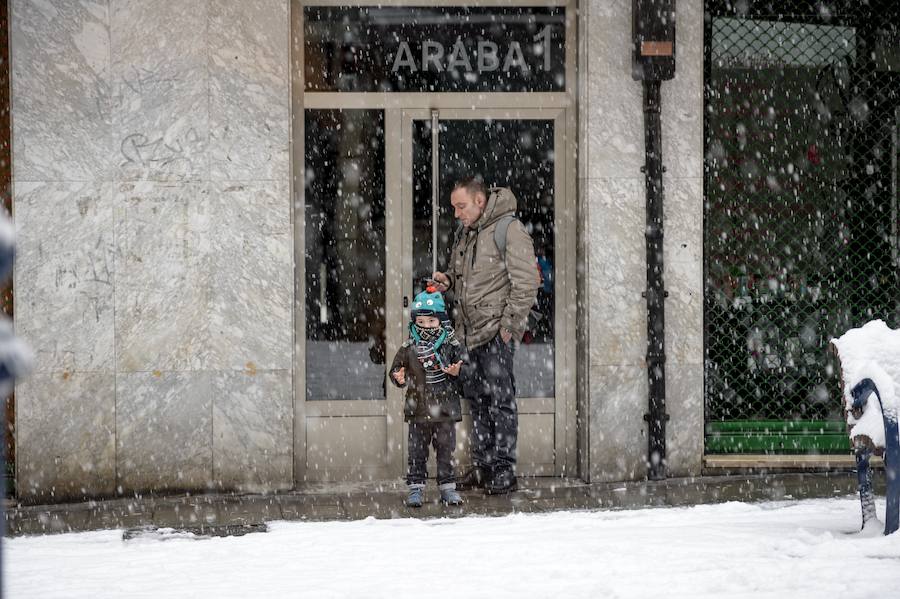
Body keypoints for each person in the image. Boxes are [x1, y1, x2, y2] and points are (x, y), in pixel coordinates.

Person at [431, 177, 539, 494]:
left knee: (500, 402)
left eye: (460, 206)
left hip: (495, 334)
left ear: (480, 201)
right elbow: (461, 276)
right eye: (453, 207)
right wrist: (447, 281)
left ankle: (504, 471)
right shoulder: (467, 233)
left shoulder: (509, 230)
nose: (456, 213)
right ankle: (484, 467)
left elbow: (527, 282)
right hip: (469, 333)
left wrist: (508, 327)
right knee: (478, 402)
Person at [389, 288, 465, 507]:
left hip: (445, 409)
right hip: (418, 409)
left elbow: (466, 368)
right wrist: (399, 377)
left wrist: (458, 371)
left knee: (445, 451)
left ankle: (448, 488)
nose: (426, 326)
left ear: (440, 322)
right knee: (417, 452)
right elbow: (396, 371)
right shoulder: (408, 347)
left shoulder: (452, 345)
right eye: (421, 322)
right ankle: (415, 488)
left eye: (431, 322)